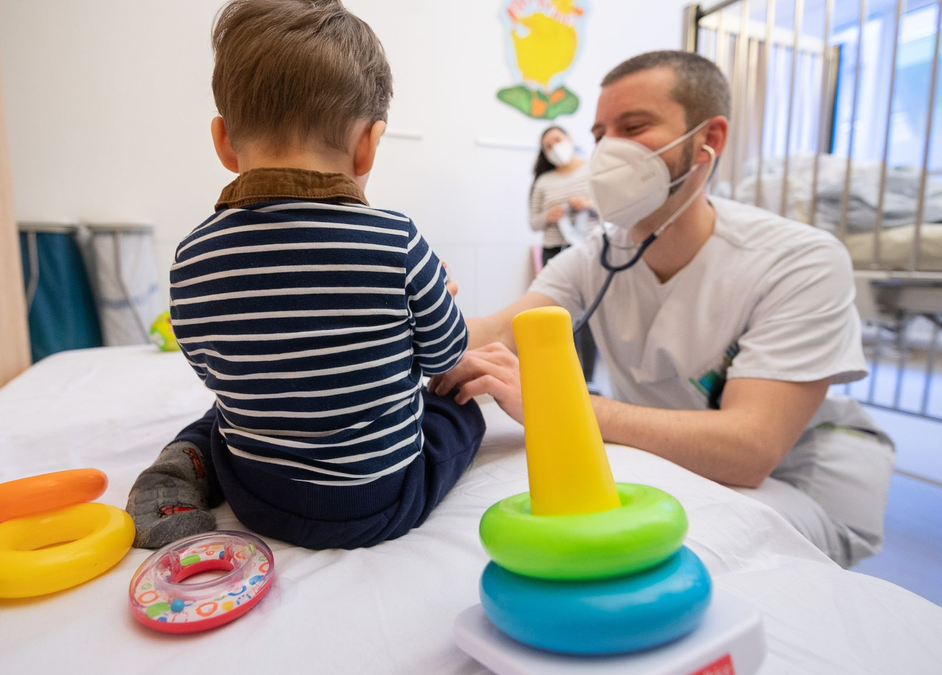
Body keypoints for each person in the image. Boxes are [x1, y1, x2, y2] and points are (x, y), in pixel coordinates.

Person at [431, 51, 894, 568]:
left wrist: (557, 403)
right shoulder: (595, 256)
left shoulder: (799, 260)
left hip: (797, 479)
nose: (609, 150)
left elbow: (750, 450)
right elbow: (497, 330)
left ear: (708, 140)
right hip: (670, 457)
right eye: (602, 133)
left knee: (656, 548)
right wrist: (411, 306)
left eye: (635, 127)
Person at [125, 0, 485, 551]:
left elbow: (211, 368)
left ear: (223, 141)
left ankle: (187, 464)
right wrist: (438, 303)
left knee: (228, 411)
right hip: (379, 501)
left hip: (257, 496)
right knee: (458, 410)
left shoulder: (191, 255)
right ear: (368, 144)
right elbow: (444, 356)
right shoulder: (396, 240)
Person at [529, 126, 599, 381]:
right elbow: (533, 222)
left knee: (589, 317)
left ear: (570, 138)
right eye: (547, 146)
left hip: (588, 251)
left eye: (557, 140)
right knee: (560, 316)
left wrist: (589, 206)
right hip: (554, 252)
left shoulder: (593, 169)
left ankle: (588, 378)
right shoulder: (543, 182)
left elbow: (611, 209)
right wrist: (547, 217)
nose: (554, 147)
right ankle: (566, 374)